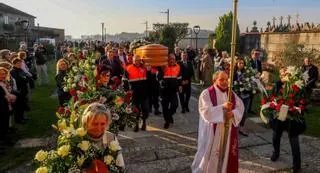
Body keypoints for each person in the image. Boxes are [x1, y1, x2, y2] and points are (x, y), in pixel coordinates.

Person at [191, 71, 244, 173]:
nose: (225, 82)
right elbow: (205, 111)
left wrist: (232, 113)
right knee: (209, 153)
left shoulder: (231, 93)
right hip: (211, 132)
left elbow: (240, 107)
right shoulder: (206, 93)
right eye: (221, 79)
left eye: (226, 79)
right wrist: (222, 108)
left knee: (226, 154)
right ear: (214, 80)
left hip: (226, 131)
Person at [269, 68, 302, 173]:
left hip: (292, 118)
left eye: (286, 73)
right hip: (280, 116)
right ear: (280, 76)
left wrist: (295, 107)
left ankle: (297, 164)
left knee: (294, 140)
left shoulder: (296, 85)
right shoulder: (278, 84)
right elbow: (272, 96)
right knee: (275, 137)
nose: (284, 75)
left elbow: (302, 100)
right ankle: (276, 153)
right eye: (282, 74)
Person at [81, 103, 125, 171]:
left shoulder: (110, 137)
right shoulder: (78, 139)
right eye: (94, 124)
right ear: (86, 122)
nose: (99, 128)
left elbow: (120, 165)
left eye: (102, 124)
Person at [124, 55, 150, 132]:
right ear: (133, 60)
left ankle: (144, 122)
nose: (137, 62)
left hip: (144, 93)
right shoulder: (128, 68)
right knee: (136, 110)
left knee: (145, 109)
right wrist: (127, 90)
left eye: (138, 60)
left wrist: (148, 71)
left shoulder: (144, 68)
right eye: (136, 60)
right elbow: (124, 80)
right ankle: (136, 124)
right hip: (134, 93)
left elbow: (149, 79)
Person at [160, 54, 181, 129]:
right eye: (170, 59)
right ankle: (167, 121)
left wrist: (180, 86)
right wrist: (163, 71)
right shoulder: (163, 66)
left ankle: (169, 116)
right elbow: (158, 77)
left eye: (173, 59)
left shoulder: (178, 66)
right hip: (164, 91)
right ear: (168, 59)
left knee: (175, 105)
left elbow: (179, 77)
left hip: (173, 91)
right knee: (165, 107)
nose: (172, 60)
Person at [233, 58, 250, 136]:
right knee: (237, 110)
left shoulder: (247, 72)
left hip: (246, 95)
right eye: (239, 63)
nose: (241, 65)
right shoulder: (233, 72)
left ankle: (241, 127)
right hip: (237, 95)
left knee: (245, 111)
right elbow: (232, 83)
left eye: (242, 63)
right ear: (237, 64)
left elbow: (251, 81)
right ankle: (235, 125)